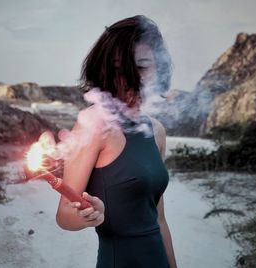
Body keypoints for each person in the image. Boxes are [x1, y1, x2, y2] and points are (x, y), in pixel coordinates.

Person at [56, 15, 178, 268]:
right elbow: (64, 216)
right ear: (105, 70)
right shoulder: (94, 125)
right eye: (118, 68)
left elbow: (159, 219)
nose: (130, 78)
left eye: (142, 67)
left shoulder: (156, 131)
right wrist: (90, 216)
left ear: (159, 69)